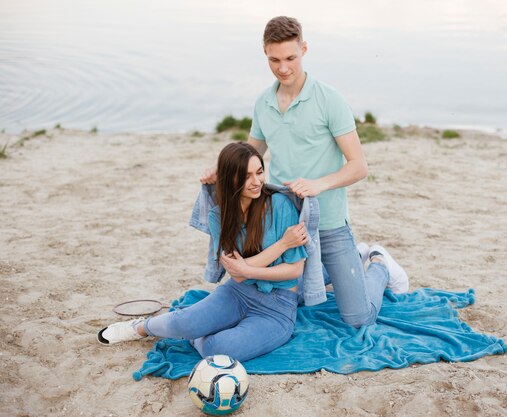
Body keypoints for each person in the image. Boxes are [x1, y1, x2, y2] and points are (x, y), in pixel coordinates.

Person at [201, 16, 409, 328]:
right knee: (283, 296)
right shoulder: (263, 103)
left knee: (359, 318)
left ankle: (376, 260)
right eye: (274, 59)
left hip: (328, 220)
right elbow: (251, 153)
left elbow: (359, 166)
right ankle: (338, 267)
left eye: (290, 58)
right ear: (265, 54)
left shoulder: (330, 100)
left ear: (304, 49)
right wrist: (221, 171)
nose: (283, 68)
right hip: (283, 222)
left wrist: (318, 184)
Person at [98, 142, 309, 362]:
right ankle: (140, 328)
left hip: (277, 307)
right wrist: (282, 245)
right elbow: (237, 275)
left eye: (259, 172)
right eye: (246, 176)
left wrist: (247, 268)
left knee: (216, 350)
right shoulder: (218, 217)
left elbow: (294, 270)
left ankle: (192, 334)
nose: (256, 182)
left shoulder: (280, 204)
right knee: (185, 323)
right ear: (230, 179)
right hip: (238, 292)